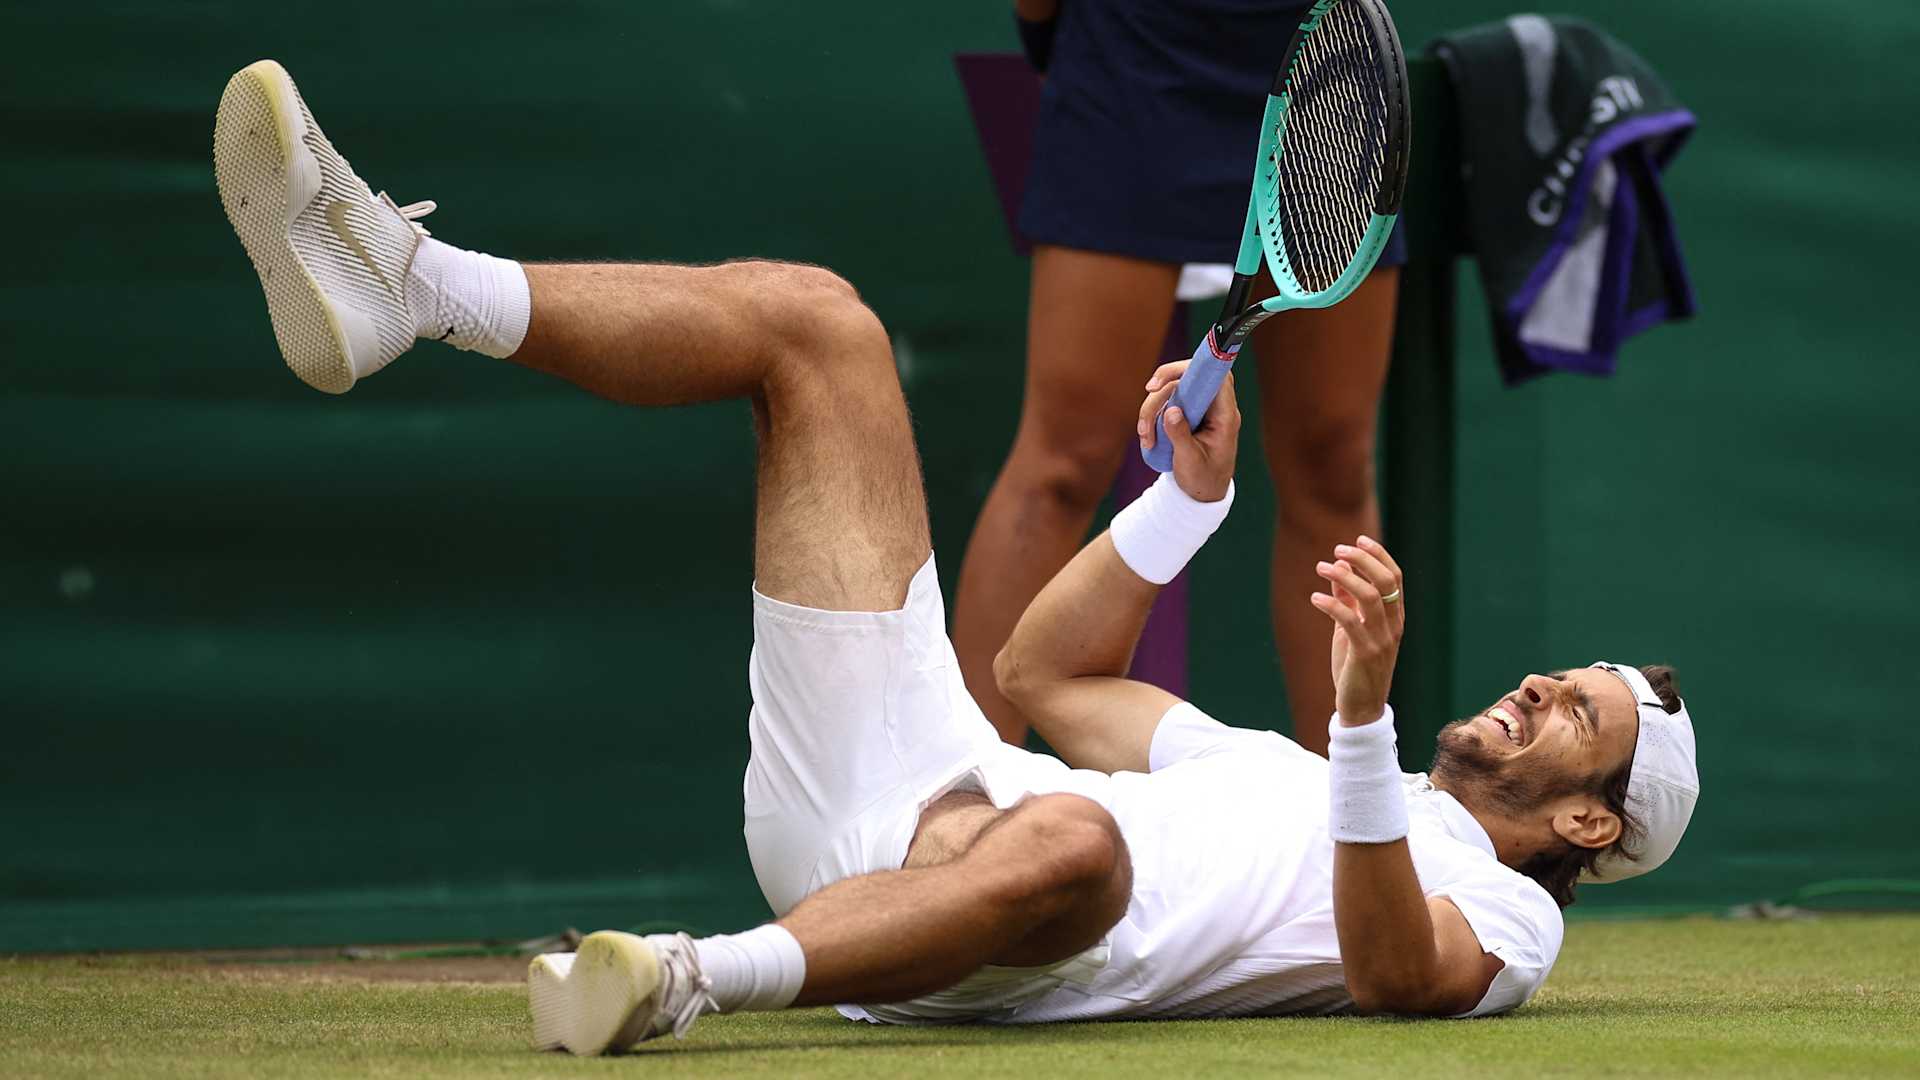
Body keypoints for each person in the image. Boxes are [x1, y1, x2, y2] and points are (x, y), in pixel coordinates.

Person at [213, 61, 1701, 1055]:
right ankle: (407, 284)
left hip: (990, 925)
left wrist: (1363, 714)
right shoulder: (1280, 780)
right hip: (894, 774)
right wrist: (1181, 507)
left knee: (1084, 843)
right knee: (817, 326)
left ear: (1587, 828)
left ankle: (682, 977)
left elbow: (1394, 977)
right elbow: (1039, 673)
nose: (1536, 687)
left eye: (1578, 714)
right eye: (1561, 676)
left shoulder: (1506, 919)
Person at [953, 0, 1412, 754]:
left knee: (1331, 461)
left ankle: (1352, 825)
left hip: (1330, 58)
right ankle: (957, 802)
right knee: (1062, 464)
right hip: (1133, 53)